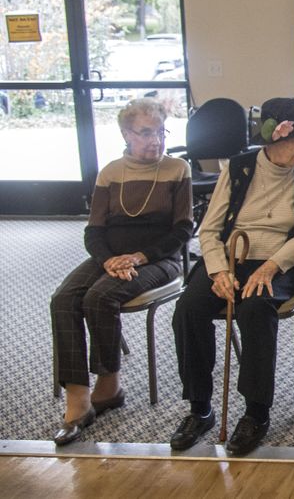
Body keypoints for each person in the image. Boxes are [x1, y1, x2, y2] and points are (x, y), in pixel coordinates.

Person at [170, 98, 294, 455]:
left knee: (255, 308)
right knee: (189, 307)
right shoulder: (238, 168)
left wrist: (271, 266)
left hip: (282, 262)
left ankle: (256, 412)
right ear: (272, 139)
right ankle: (200, 407)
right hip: (231, 256)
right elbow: (208, 230)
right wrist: (219, 271)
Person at [50, 98, 192, 446]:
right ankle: (77, 399)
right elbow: (94, 231)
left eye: (160, 132)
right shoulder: (111, 171)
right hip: (110, 256)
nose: (155, 140)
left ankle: (109, 383)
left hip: (159, 259)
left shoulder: (177, 168)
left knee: (101, 296)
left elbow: (183, 230)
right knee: (64, 298)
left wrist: (140, 257)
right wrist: (109, 261)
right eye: (145, 133)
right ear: (126, 133)